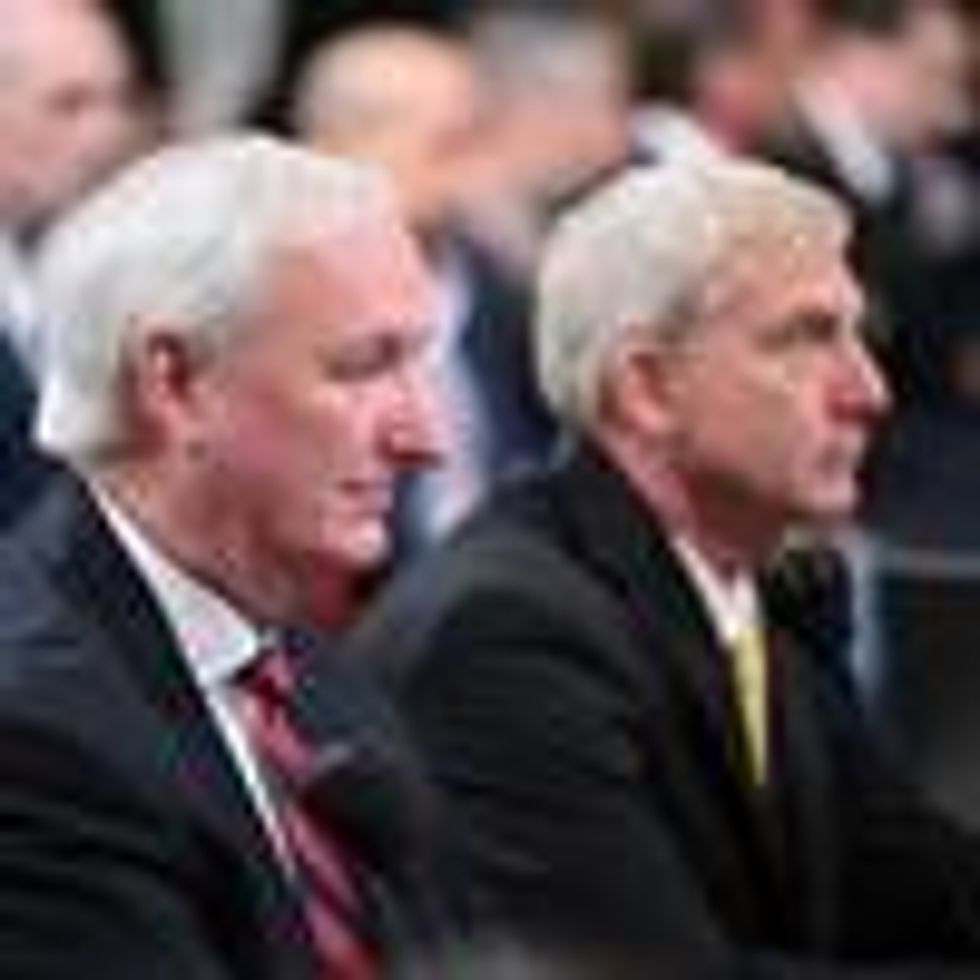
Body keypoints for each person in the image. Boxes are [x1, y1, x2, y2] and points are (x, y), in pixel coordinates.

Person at [346, 158, 980, 973]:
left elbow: (905, 883)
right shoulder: (501, 637)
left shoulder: (762, 584)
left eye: (858, 336)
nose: (868, 391)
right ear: (647, 388)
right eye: (807, 338)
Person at [0, 134, 454, 979]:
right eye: (362, 369)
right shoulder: (32, 730)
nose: (425, 438)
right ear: (174, 383)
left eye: (416, 365)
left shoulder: (313, 674)